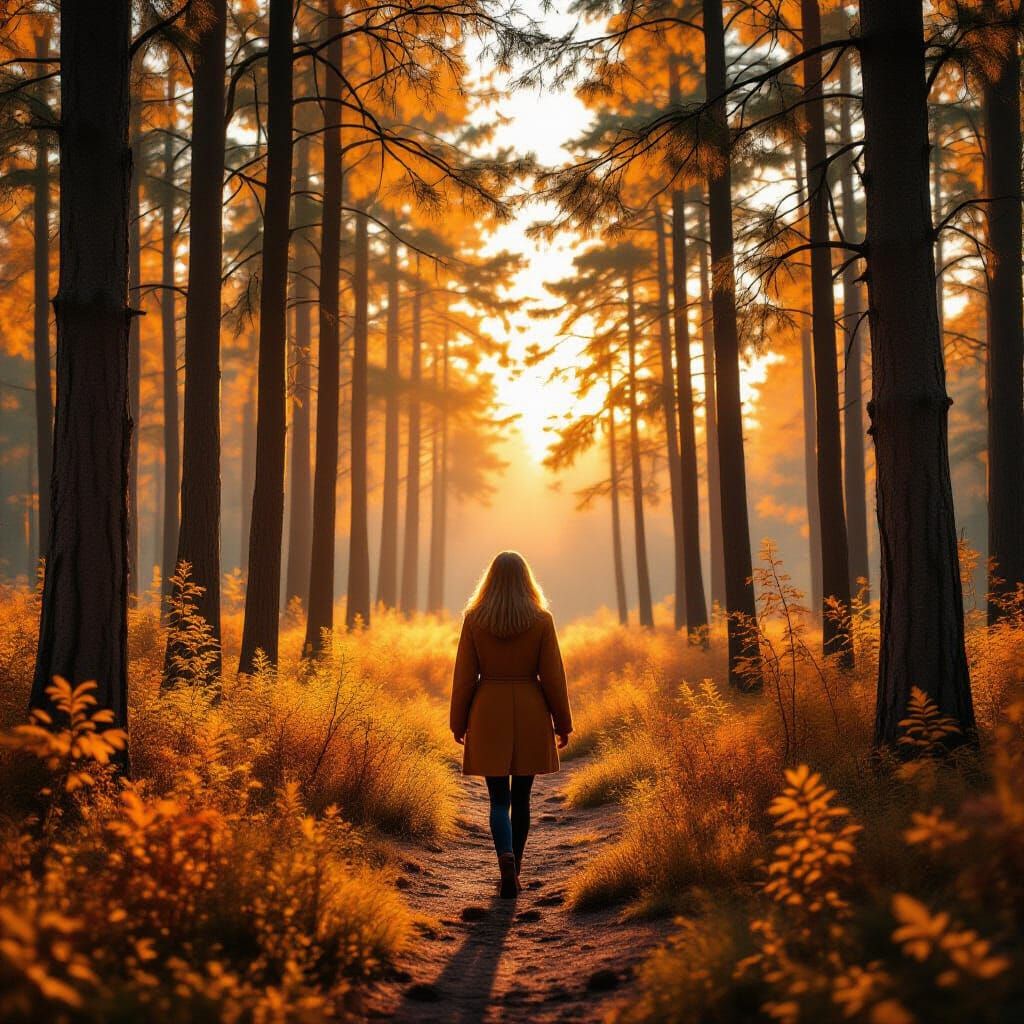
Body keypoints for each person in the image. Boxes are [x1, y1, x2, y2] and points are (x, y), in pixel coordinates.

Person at [450, 551, 573, 899]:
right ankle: (515, 869)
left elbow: (463, 678)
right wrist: (562, 722)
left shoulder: (474, 619)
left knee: (496, 800)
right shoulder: (541, 620)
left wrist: (458, 721)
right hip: (531, 712)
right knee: (522, 799)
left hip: (488, 709)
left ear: (489, 581)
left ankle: (503, 857)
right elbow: (553, 678)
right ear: (526, 580)